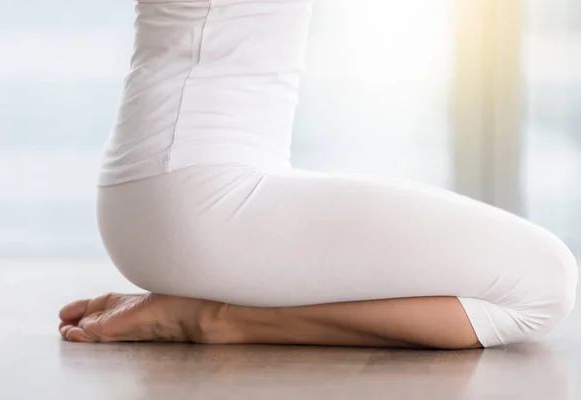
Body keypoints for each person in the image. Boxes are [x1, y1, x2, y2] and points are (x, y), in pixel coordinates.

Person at [58, 0, 578, 349]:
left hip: (183, 189)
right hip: (197, 196)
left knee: (541, 283)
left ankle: (218, 308)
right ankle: (217, 317)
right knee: (543, 284)